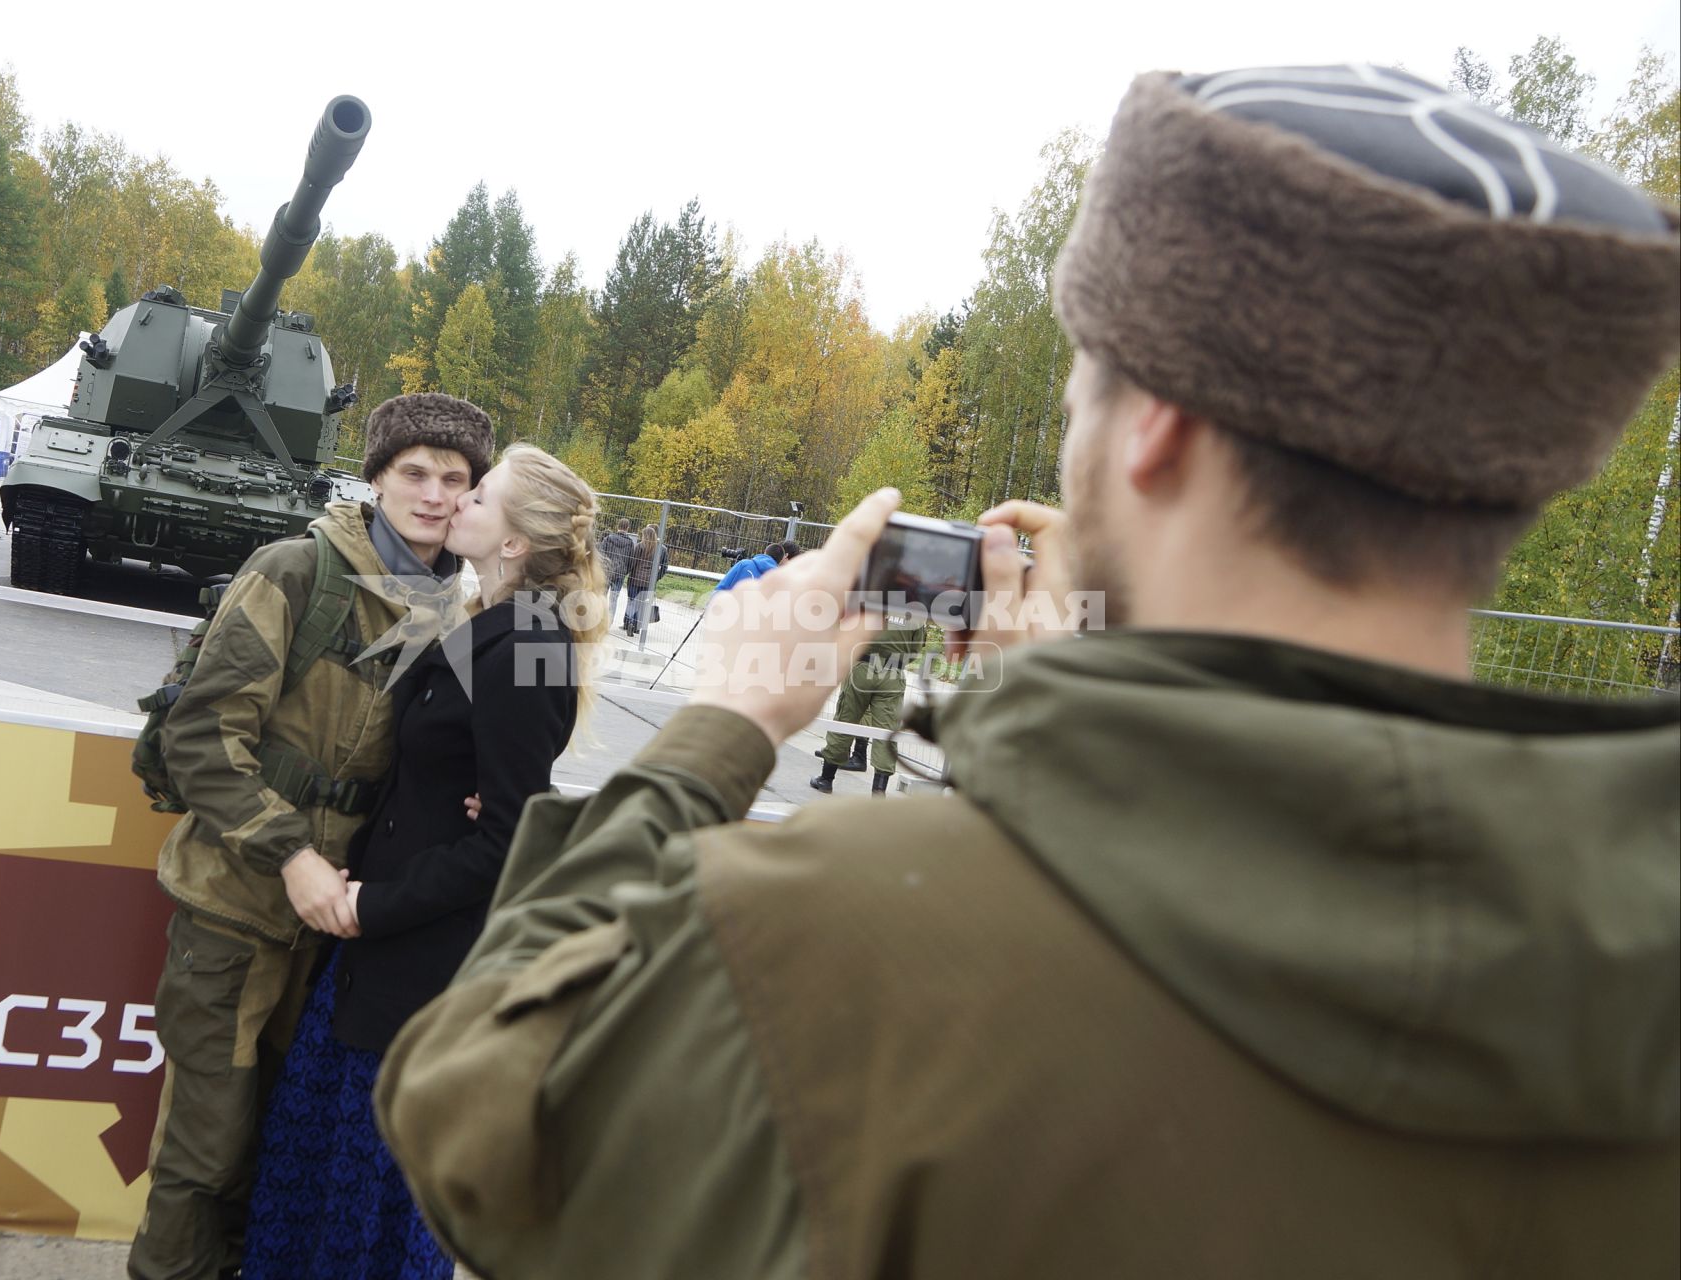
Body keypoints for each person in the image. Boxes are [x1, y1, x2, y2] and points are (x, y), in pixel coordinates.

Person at [373, 66, 1681, 1278]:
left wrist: (721, 725)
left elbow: (479, 1114)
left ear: (1155, 428)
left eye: (1079, 402)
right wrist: (1063, 727)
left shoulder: (826, 952)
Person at [128, 393, 492, 1280]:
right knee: (206, 1153)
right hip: (238, 905)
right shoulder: (298, 570)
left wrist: (483, 795)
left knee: (288, 1153)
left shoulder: (466, 608)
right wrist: (291, 855)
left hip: (347, 932)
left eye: (456, 478)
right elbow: (203, 736)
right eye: (415, 472)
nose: (436, 494)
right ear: (376, 478)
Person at [242, 442, 602, 1280]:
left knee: (367, 1198)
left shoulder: (527, 641)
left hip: (420, 964)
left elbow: (511, 831)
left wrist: (374, 906)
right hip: (389, 956)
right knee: (331, 1182)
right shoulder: (487, 619)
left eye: (480, 497)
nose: (458, 503)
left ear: (514, 543)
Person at [808, 615, 924, 797]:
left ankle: (826, 779)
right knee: (886, 731)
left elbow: (848, 633)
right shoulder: (916, 613)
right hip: (893, 674)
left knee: (844, 722)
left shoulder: (871, 601)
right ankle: (878, 791)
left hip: (862, 667)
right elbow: (915, 650)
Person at [620, 523, 659, 636]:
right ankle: (637, 626)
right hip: (647, 581)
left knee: (632, 602)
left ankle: (630, 623)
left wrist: (628, 572)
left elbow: (633, 562)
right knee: (641, 603)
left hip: (635, 578)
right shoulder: (657, 549)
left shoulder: (639, 546)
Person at [713, 539, 790, 591]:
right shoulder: (779, 580)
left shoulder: (744, 564)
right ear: (779, 561)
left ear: (765, 553)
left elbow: (722, 588)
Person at [598, 517, 636, 608]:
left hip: (607, 572)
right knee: (613, 600)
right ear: (627, 528)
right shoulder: (630, 543)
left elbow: (600, 554)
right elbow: (631, 561)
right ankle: (610, 621)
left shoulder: (608, 539)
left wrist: (603, 568)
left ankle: (600, 619)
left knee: (602, 597)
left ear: (617, 526)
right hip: (620, 574)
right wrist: (624, 572)